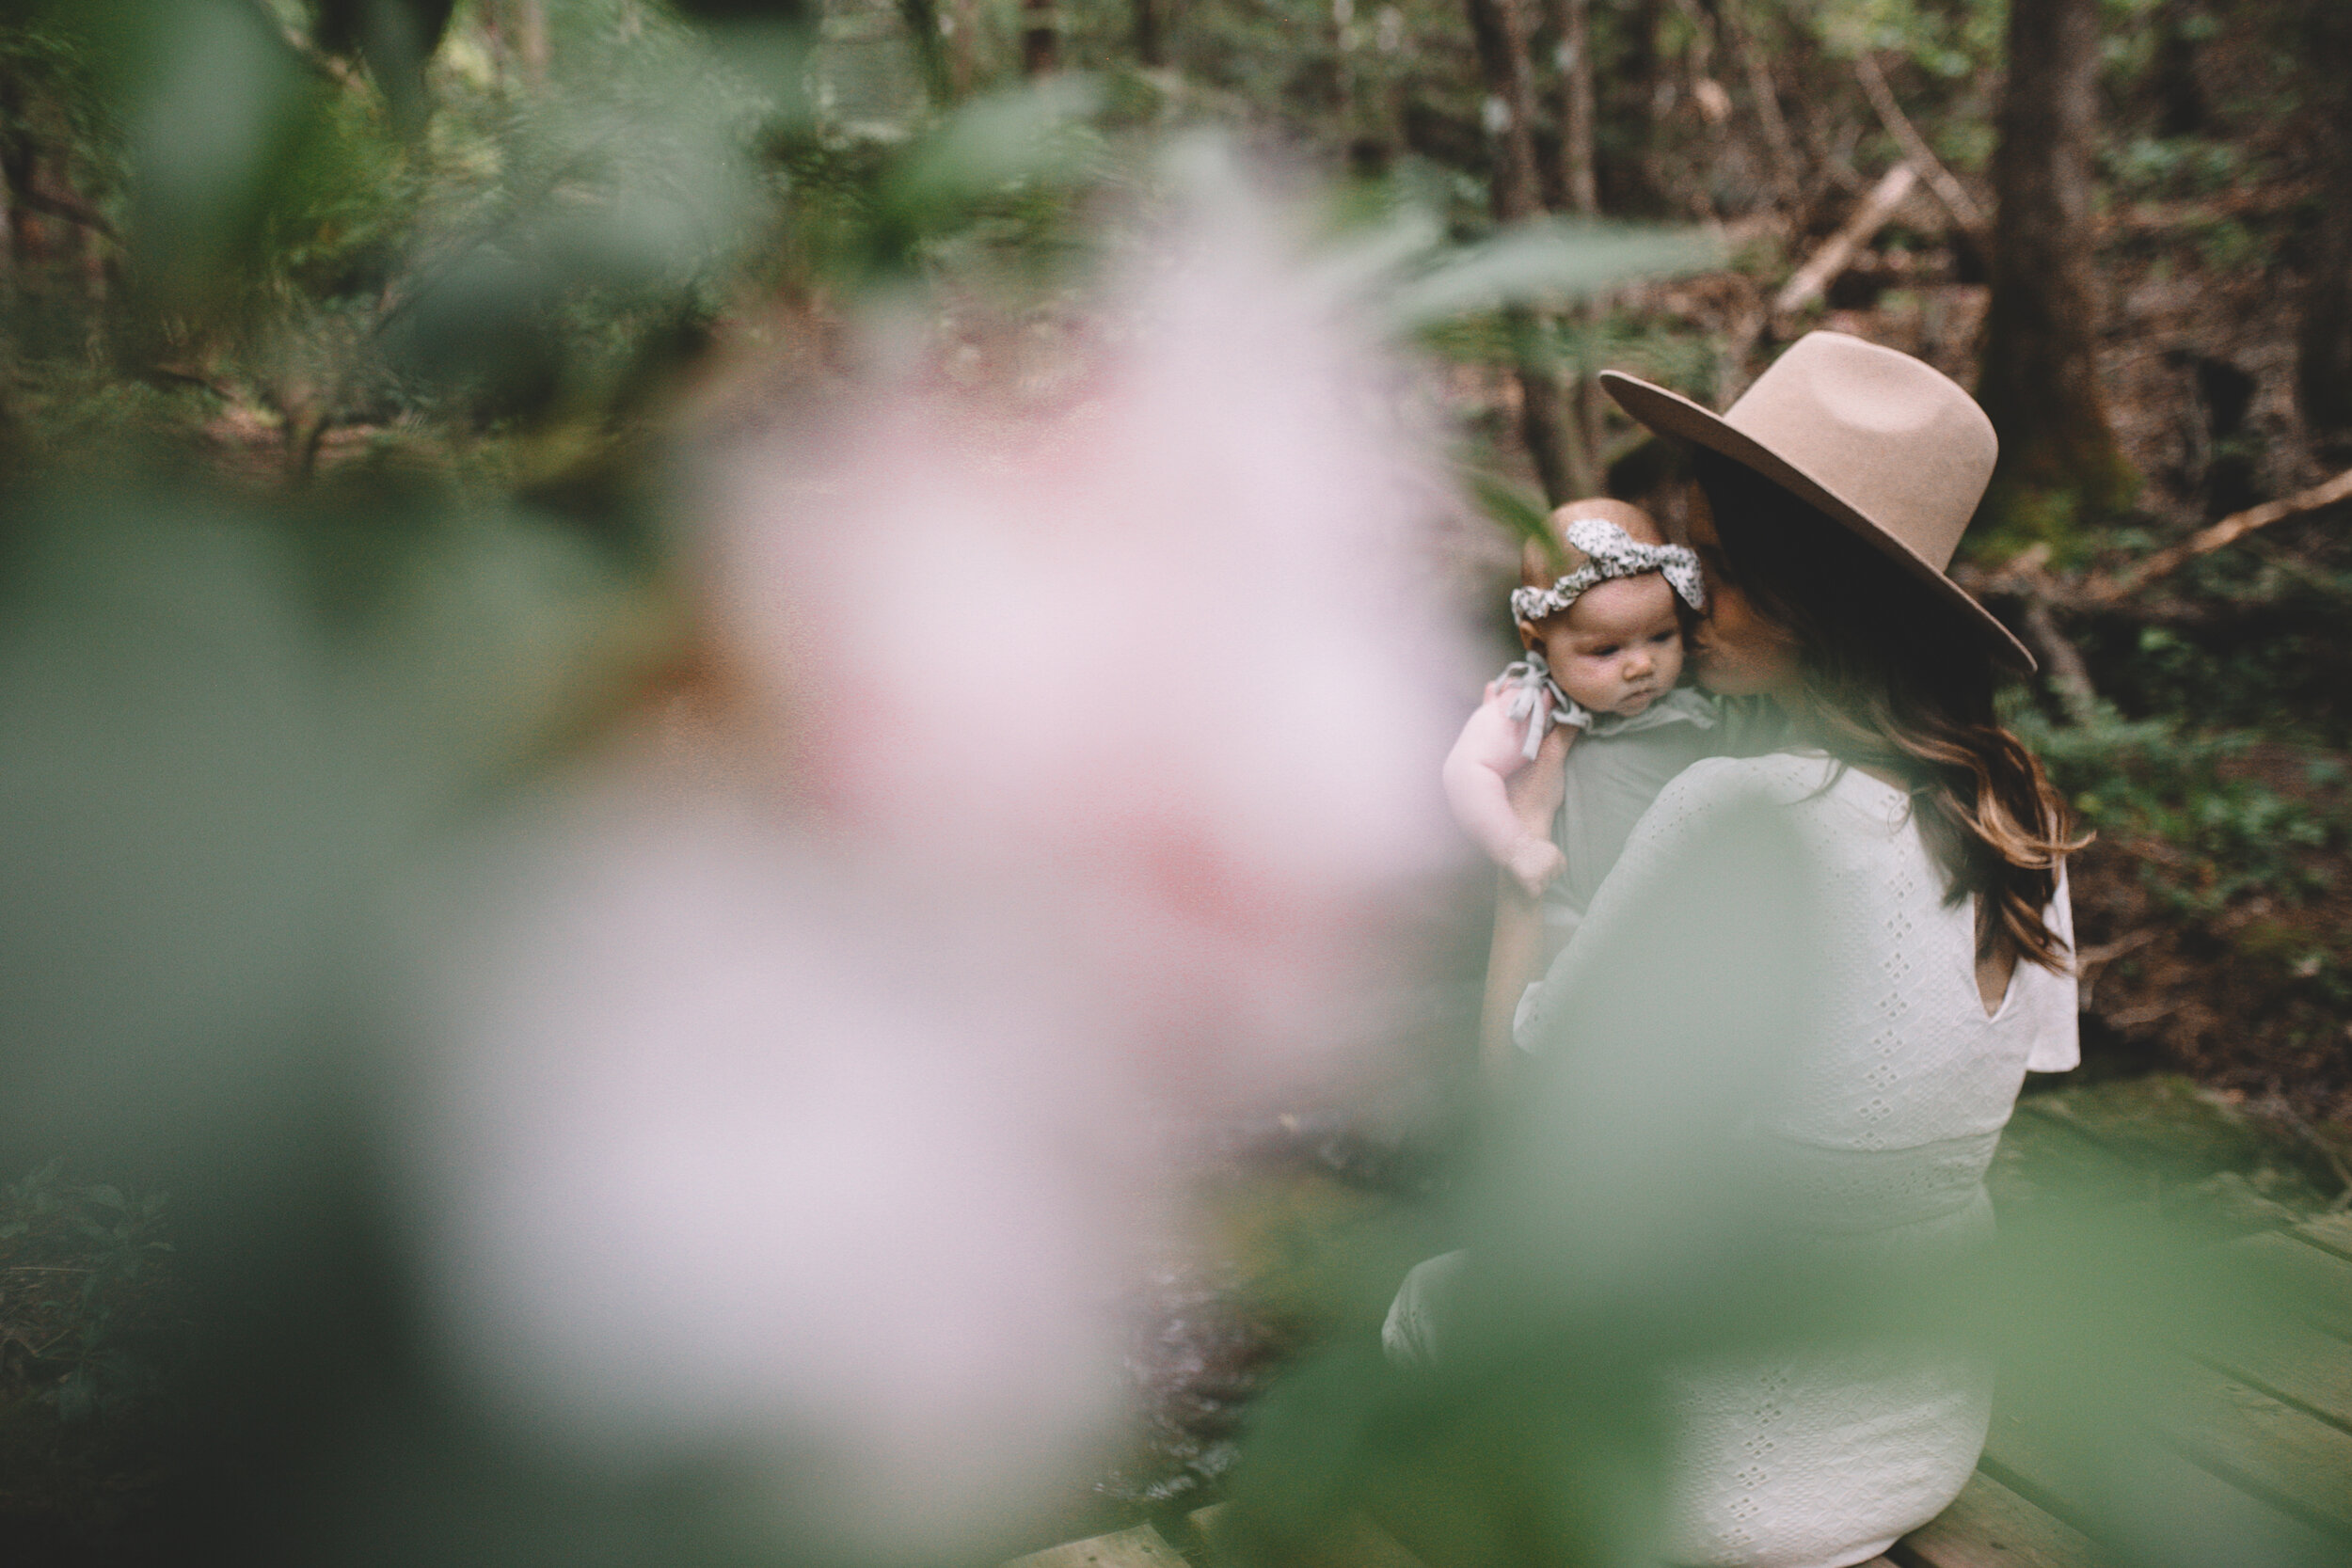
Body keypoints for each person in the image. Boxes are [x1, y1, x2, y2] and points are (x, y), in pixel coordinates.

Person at [1394, 332, 2085, 1568]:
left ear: (1809, 594)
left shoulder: (1740, 811)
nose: (1683, 597)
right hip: (1916, 1434)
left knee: (1434, 1308)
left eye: (1711, 562)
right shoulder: (2017, 805)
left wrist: (1525, 862)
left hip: (1690, 1471)